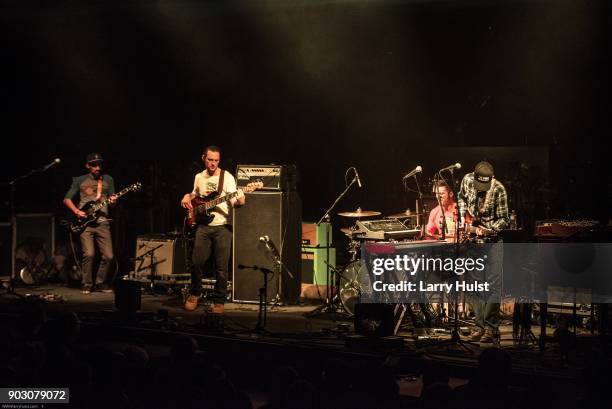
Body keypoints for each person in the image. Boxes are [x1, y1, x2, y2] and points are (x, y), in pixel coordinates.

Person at [181, 146, 245, 314]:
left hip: (222, 227)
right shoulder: (198, 177)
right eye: (210, 160)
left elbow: (233, 200)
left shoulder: (227, 177)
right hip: (203, 225)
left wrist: (239, 200)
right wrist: (187, 196)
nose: (213, 163)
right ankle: (195, 294)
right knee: (196, 263)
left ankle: (219, 300)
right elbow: (195, 195)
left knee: (221, 268)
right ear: (204, 158)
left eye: (216, 160)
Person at [457, 160, 509, 343]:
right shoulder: (467, 180)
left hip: (492, 241)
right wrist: (464, 217)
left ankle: (490, 327)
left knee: (493, 285)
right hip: (473, 241)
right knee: (473, 285)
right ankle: (479, 326)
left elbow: (504, 219)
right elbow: (461, 196)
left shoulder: (499, 189)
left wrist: (488, 229)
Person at [63, 153, 117, 294]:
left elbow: (112, 203)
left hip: (103, 222)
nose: (98, 167)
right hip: (85, 223)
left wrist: (113, 201)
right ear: (87, 166)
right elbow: (67, 199)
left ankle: (100, 283)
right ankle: (87, 283)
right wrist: (76, 211)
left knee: (109, 256)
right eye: (94, 165)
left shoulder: (108, 179)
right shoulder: (79, 180)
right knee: (89, 254)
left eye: (99, 164)